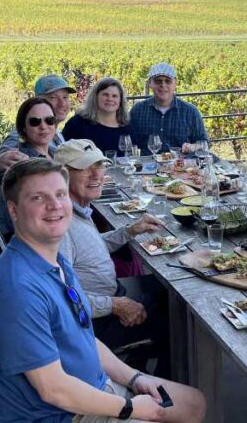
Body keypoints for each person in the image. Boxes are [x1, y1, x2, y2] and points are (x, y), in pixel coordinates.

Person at [0, 159, 205, 422]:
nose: (55, 206)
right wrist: (129, 408)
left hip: (91, 390)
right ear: (13, 210)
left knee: (193, 403)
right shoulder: (16, 290)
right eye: (38, 197)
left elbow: (83, 337)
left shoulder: (55, 260)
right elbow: (53, 390)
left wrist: (134, 377)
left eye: (60, 194)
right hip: (60, 414)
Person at [54, 139, 169, 376]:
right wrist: (116, 306)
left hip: (110, 298)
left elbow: (89, 250)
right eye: (86, 167)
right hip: (95, 326)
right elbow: (61, 299)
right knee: (179, 320)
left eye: (100, 165)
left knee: (169, 293)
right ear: (63, 175)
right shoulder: (61, 226)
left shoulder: (77, 210)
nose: (97, 174)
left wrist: (130, 230)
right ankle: (159, 388)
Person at [0, 73, 76, 184]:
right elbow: (5, 164)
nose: (62, 103)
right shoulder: (20, 136)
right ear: (38, 100)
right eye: (53, 97)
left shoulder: (56, 134)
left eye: (65, 97)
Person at [0, 97, 58, 241]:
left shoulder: (54, 152)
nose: (43, 126)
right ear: (23, 128)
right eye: (35, 122)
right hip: (27, 237)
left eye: (49, 120)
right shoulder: (21, 162)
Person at [128, 63, 208, 155]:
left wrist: (194, 146)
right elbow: (129, 143)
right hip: (147, 167)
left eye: (168, 81)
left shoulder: (190, 112)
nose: (163, 85)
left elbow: (203, 143)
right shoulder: (138, 110)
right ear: (150, 83)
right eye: (158, 81)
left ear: (175, 84)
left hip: (181, 167)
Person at [62, 77, 132, 154]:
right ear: (95, 97)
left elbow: (134, 157)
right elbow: (63, 153)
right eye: (105, 94)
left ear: (120, 100)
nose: (110, 99)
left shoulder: (127, 127)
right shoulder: (77, 124)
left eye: (114, 96)